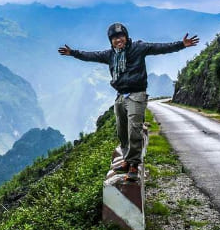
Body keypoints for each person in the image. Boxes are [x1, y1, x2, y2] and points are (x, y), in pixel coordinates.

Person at [58, 22, 199, 181]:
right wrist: (73, 53)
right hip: (120, 96)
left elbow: (160, 47)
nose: (118, 40)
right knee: (122, 130)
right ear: (110, 41)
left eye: (120, 37)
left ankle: (134, 164)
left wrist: (181, 44)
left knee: (134, 128)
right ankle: (126, 159)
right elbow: (91, 56)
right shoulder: (110, 55)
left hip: (136, 94)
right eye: (114, 38)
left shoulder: (138, 48)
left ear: (126, 36)